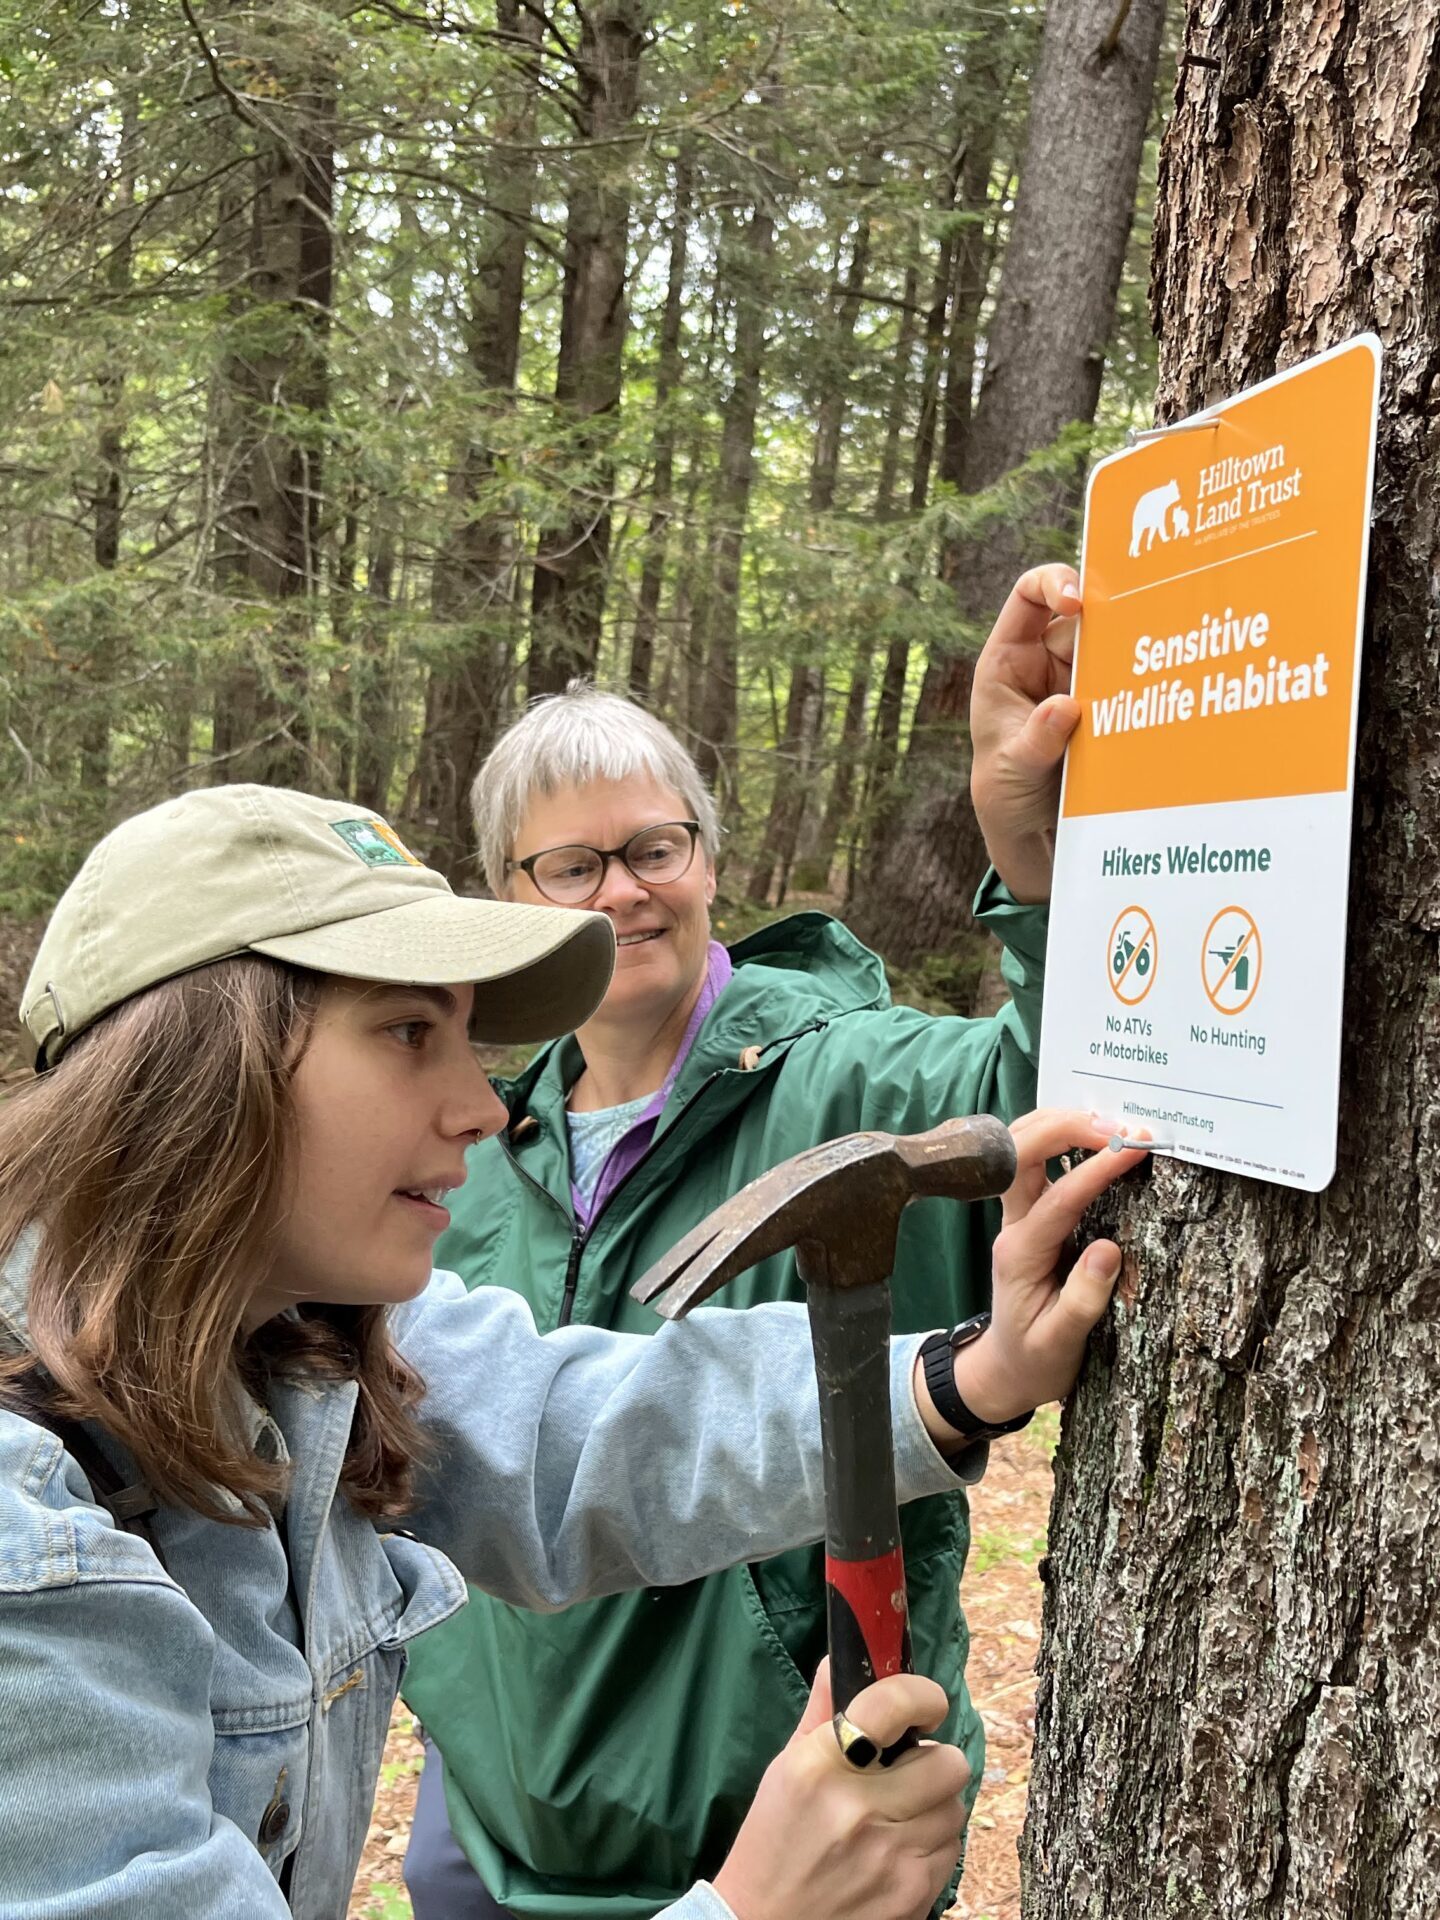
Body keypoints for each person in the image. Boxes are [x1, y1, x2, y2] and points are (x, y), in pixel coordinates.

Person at [0, 780, 1144, 1920]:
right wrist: (749, 1912)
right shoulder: (28, 1525)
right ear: (198, 1070)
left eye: (465, 1038)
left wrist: (967, 1378)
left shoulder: (294, 1343)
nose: (484, 1107)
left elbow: (571, 1431)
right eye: (409, 1032)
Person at [401, 565, 1093, 1919]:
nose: (625, 894)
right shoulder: (472, 1153)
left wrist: (1036, 872)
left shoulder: (850, 1085)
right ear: (508, 892)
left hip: (783, 1835)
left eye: (657, 847)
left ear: (708, 857)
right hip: (484, 1838)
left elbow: (1059, 1094)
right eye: (572, 864)